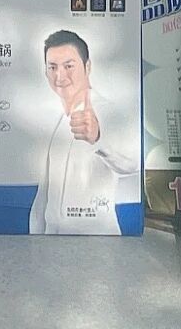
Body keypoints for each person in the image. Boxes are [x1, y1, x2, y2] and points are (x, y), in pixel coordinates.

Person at [28, 31, 134, 236]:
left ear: (88, 67)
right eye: (52, 67)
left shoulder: (110, 112)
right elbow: (43, 197)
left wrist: (99, 138)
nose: (60, 76)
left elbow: (131, 163)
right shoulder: (55, 121)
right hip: (50, 242)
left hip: (97, 241)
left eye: (69, 66)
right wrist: (35, 240)